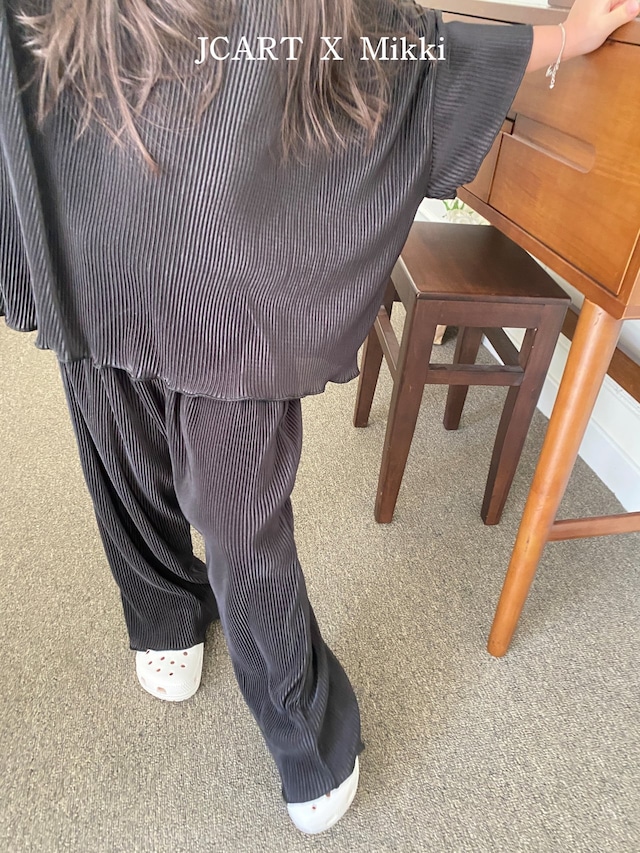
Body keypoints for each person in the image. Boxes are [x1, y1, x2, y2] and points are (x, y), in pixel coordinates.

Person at [1, 0, 636, 835]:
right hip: (84, 211)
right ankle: (160, 612)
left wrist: (560, 41)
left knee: (242, 526)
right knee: (120, 460)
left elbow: (393, 51)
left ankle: (301, 726)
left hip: (234, 275)